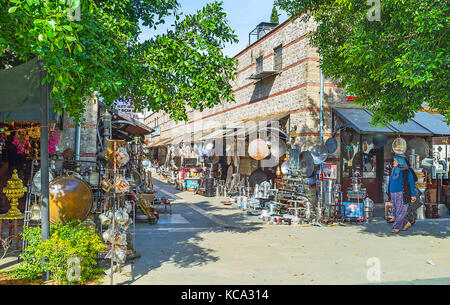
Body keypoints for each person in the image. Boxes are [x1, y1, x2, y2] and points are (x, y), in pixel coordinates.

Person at [388, 155, 416, 233]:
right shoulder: (393, 170)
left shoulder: (406, 171)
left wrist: (413, 195)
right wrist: (389, 193)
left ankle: (396, 227)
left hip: (402, 193)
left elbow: (411, 183)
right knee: (396, 210)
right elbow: (390, 182)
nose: (393, 162)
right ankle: (407, 223)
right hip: (393, 192)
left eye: (395, 161)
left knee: (401, 211)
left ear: (400, 162)